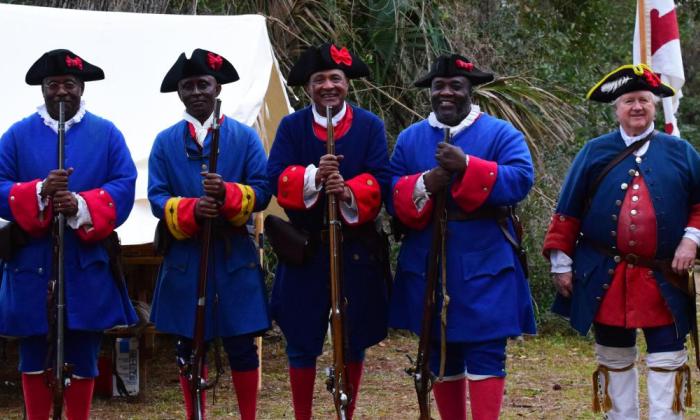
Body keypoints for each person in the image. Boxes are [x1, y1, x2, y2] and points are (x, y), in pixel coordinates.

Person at [543, 63, 700, 419]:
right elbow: (567, 210)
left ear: (655, 106)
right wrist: (562, 263)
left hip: (664, 277)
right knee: (614, 357)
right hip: (605, 274)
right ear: (616, 108)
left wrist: (691, 240)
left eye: (644, 100)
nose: (637, 108)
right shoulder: (594, 151)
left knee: (667, 357)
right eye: (629, 100)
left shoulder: (680, 151)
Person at [388, 54, 536, 420]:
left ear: (470, 90)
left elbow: (521, 179)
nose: (446, 93)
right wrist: (424, 183)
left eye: (456, 86)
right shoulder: (410, 139)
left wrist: (468, 166)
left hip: (485, 261)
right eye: (439, 86)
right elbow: (390, 192)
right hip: (427, 261)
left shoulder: (501, 133)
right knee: (439, 351)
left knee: (486, 351)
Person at [0, 49, 138, 420]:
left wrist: (79, 204)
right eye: (53, 85)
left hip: (85, 261)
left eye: (69, 84)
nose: (61, 91)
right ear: (43, 89)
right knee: (33, 352)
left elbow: (125, 184)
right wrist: (39, 191)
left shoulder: (106, 134)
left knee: (83, 351)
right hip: (32, 263)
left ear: (81, 88)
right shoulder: (16, 135)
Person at [266, 43, 391, 419]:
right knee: (301, 341)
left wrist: (348, 189)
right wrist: (313, 177)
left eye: (335, 78)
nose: (328, 86)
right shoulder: (292, 127)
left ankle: (345, 413)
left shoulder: (370, 126)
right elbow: (275, 177)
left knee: (352, 341)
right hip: (305, 250)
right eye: (319, 79)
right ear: (308, 87)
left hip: (354, 249)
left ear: (347, 83)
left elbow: (382, 179)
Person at [148, 49, 271, 420]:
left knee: (242, 346)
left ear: (218, 88)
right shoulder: (164, 142)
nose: (197, 91)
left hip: (234, 257)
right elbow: (157, 197)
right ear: (180, 93)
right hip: (186, 257)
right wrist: (191, 209)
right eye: (189, 86)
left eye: (204, 84)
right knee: (188, 345)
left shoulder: (245, 138)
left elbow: (263, 189)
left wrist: (229, 195)